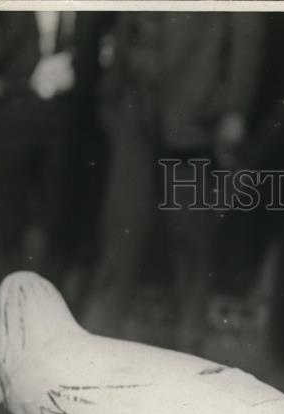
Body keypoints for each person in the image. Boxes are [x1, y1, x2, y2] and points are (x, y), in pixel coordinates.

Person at [82, 11, 265, 353]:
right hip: (133, 106)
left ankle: (191, 348)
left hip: (194, 116)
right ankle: (95, 344)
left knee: (190, 236)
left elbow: (247, 35)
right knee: (120, 226)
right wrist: (111, 93)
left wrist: (234, 110)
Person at [0, 11, 112, 293]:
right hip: (11, 116)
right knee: (10, 224)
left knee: (60, 222)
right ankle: (13, 307)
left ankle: (52, 310)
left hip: (66, 121)